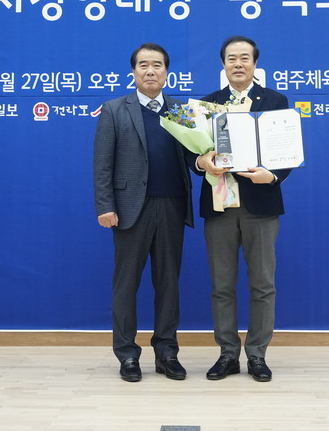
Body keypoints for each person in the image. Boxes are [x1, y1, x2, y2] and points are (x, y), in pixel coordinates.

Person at [93, 43, 194, 383]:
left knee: (168, 283)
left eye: (157, 65)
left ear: (167, 72)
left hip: (172, 205)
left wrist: (211, 160)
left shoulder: (181, 110)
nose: (150, 70)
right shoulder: (114, 109)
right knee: (126, 284)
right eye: (143, 65)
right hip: (128, 210)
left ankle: (167, 353)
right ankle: (127, 354)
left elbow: (194, 156)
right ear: (134, 71)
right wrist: (105, 205)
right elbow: (102, 164)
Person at [196, 35, 291, 383]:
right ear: (223, 64)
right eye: (231, 58)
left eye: (244, 58)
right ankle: (227, 354)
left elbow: (286, 149)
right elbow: (193, 153)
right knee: (221, 285)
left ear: (255, 63)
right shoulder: (207, 105)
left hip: (260, 205)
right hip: (220, 204)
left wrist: (273, 175)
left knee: (262, 285)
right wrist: (201, 161)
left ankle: (257, 355)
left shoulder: (275, 101)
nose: (238, 64)